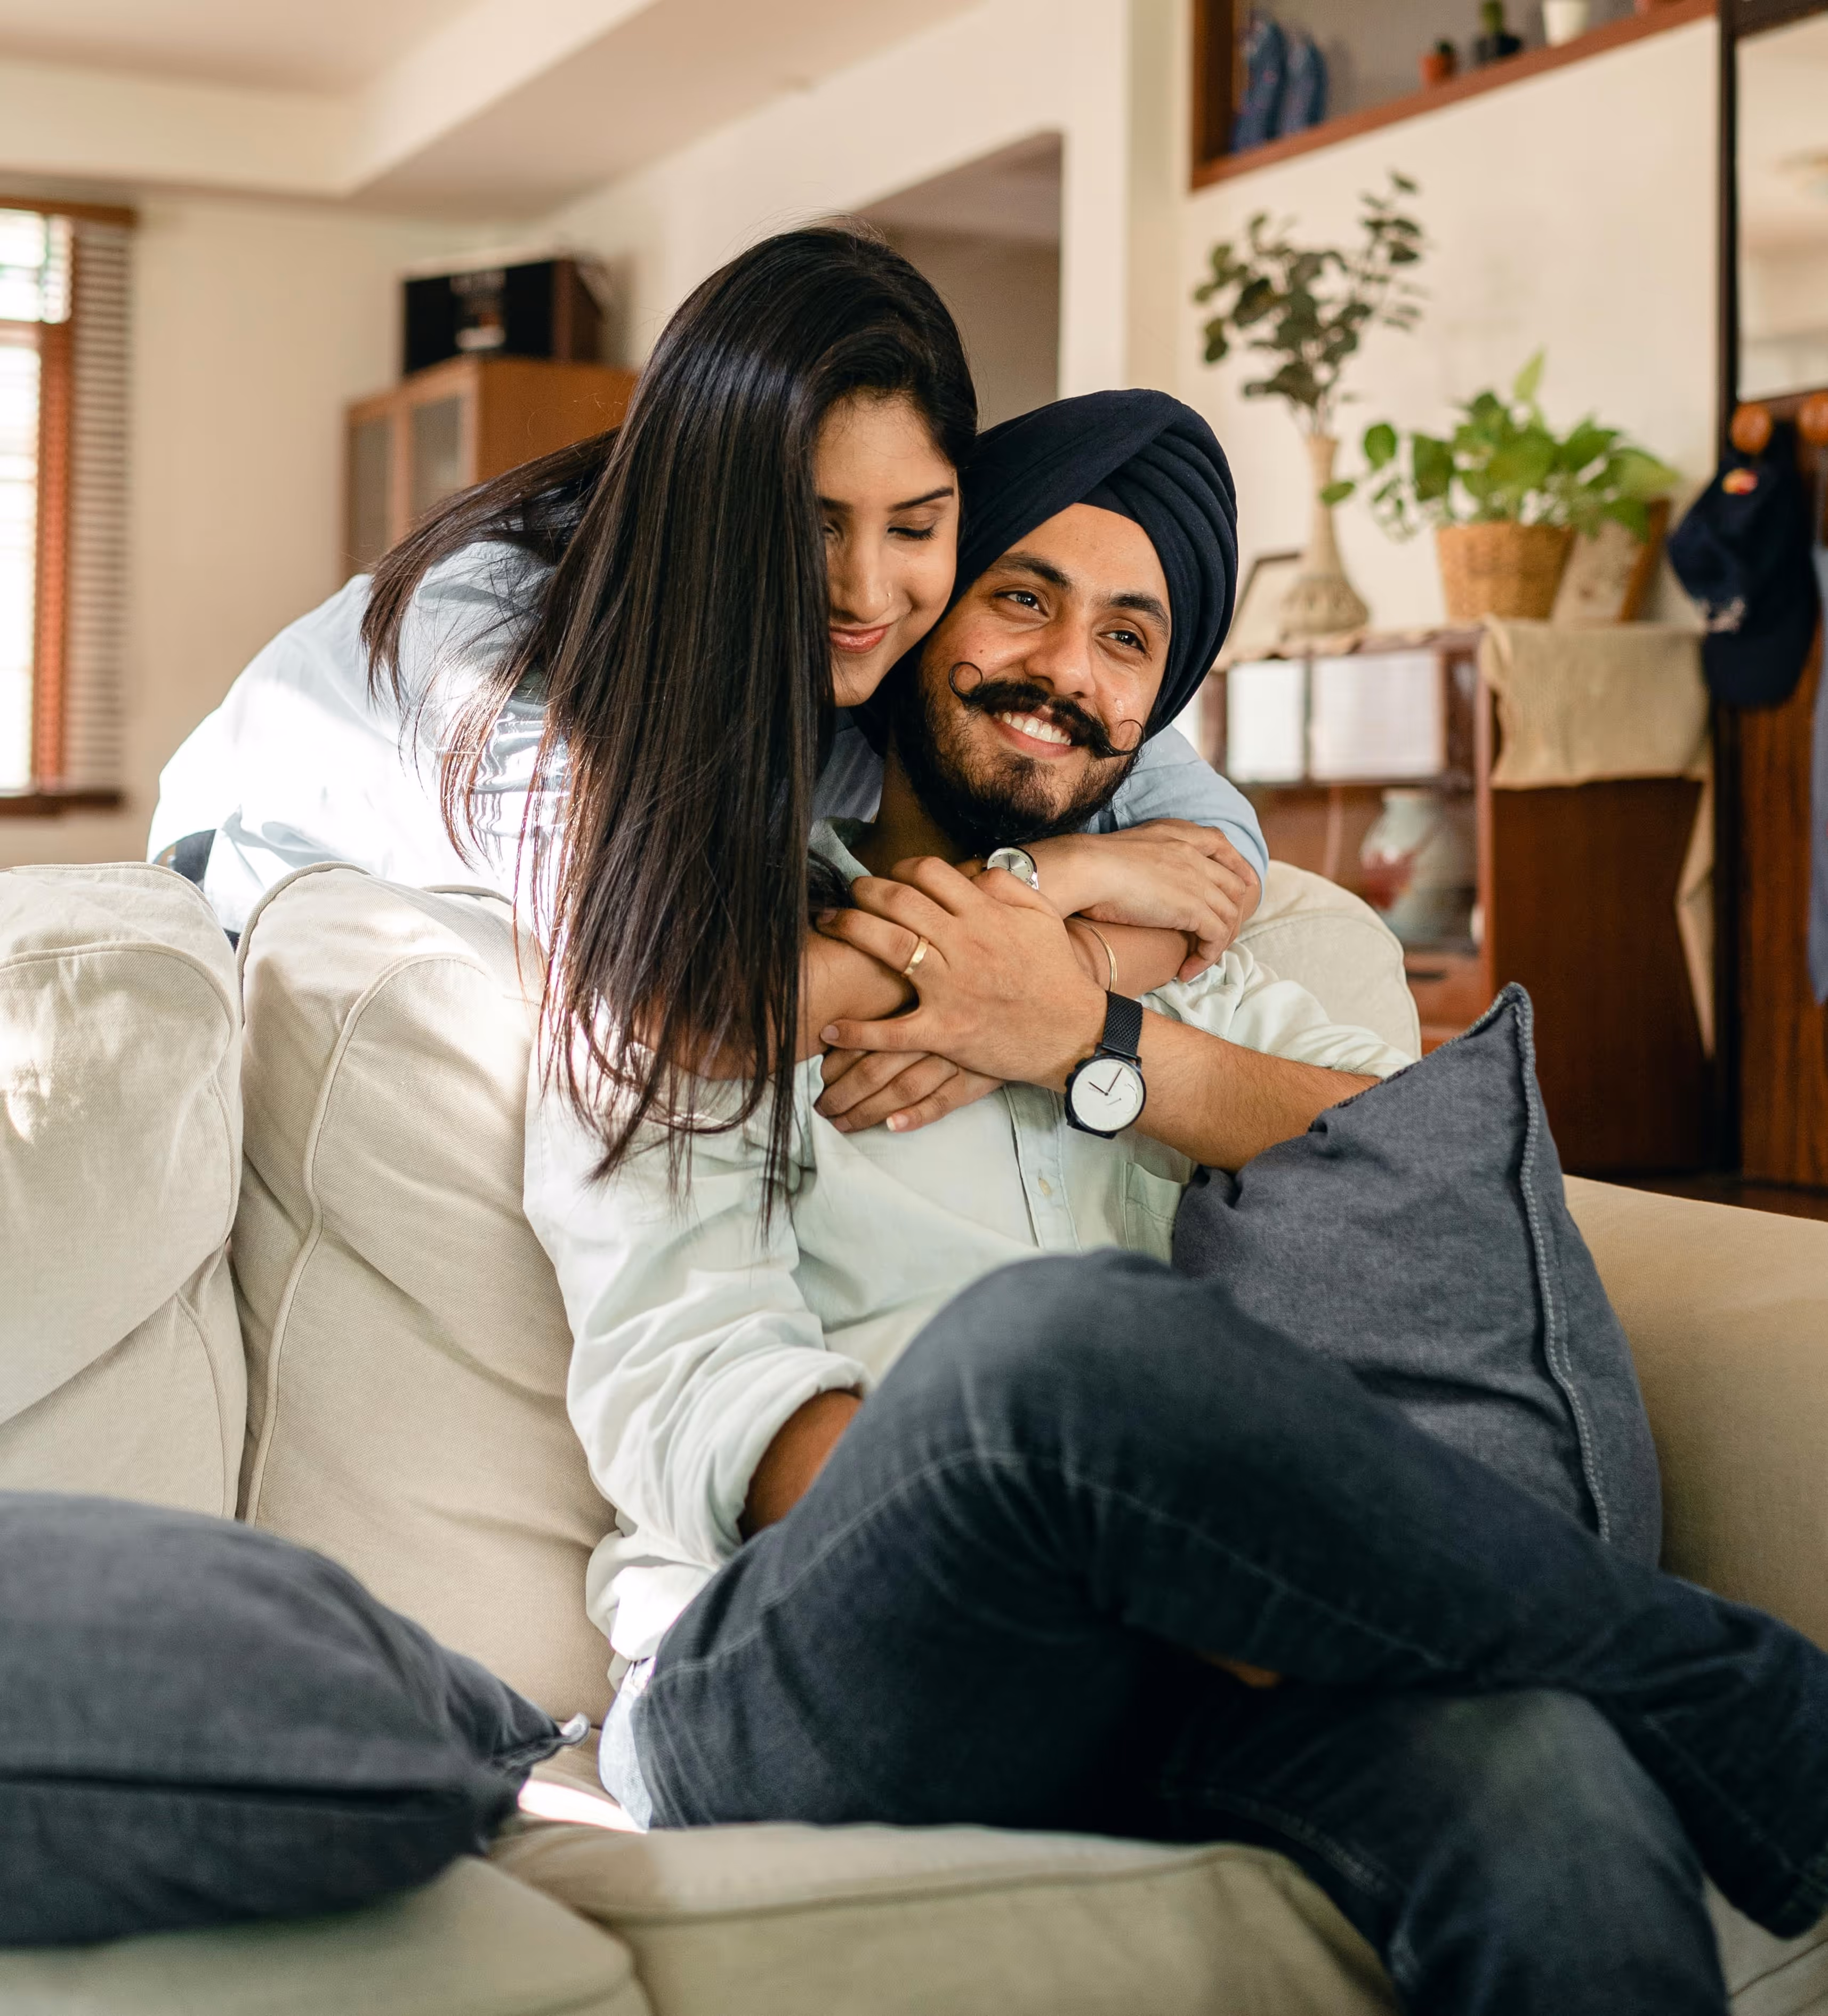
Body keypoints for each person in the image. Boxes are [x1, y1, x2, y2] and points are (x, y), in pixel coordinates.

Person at [527, 394, 1828, 2016]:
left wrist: (1096, 1041)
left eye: (1126, 638)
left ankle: (1632, 1696)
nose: (1066, 669)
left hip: (1183, 1670)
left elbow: (1422, 1144)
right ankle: (1722, 1689)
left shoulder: (1203, 959)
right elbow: (679, 1387)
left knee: (1541, 1774)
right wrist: (1057, 1509)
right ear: (927, 609)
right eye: (1024, 596)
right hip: (804, 1657)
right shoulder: (711, 956)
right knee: (1056, 1348)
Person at [149, 228, 1263, 1129]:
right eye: (809, 524)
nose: (865, 592)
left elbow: (1212, 858)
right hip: (247, 937)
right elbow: (690, 1007)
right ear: (712, 501)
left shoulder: (938, 641)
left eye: (914, 526)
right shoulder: (502, 650)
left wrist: (1049, 993)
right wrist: (1042, 890)